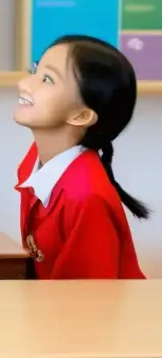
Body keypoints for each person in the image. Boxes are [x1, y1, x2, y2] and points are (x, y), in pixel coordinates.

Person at [15, 34, 148, 279]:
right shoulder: (34, 159)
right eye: (34, 70)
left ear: (81, 116)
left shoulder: (86, 197)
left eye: (46, 79)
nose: (25, 84)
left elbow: (89, 302)